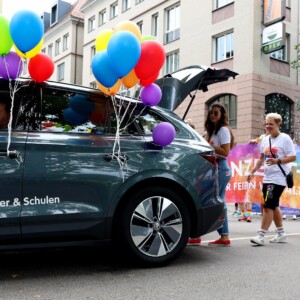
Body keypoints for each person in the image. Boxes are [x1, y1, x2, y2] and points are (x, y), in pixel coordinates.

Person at [188, 103, 234, 246]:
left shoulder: (223, 130)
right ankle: (218, 236)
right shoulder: (213, 131)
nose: (212, 115)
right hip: (213, 168)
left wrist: (208, 145)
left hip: (221, 168)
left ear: (222, 115)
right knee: (211, 200)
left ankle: (224, 236)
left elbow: (226, 152)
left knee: (219, 201)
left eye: (216, 113)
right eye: (211, 113)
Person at [248, 113, 296, 246]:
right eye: (266, 124)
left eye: (271, 124)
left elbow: (292, 157)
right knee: (274, 206)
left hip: (278, 178)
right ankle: (281, 234)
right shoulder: (265, 139)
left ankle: (261, 235)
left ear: (278, 124)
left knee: (268, 205)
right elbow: (261, 159)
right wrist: (252, 171)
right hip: (267, 178)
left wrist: (277, 161)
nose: (268, 126)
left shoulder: (285, 139)